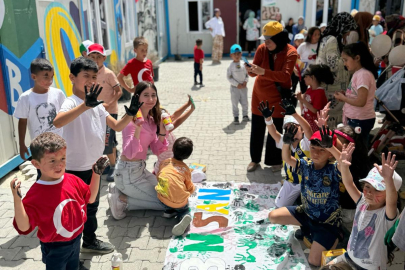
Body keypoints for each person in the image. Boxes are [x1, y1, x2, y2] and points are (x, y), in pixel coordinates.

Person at [53, 57, 141, 254]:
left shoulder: (98, 105)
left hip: (94, 167)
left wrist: (131, 114)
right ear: (72, 78)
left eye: (94, 77)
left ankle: (90, 241)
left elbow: (116, 126)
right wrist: (85, 105)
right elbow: (58, 122)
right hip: (73, 169)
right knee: (74, 211)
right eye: (86, 76)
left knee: (92, 206)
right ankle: (72, 255)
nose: (92, 81)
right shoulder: (71, 102)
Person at [11, 132, 109, 269]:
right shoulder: (36, 194)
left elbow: (91, 198)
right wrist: (17, 200)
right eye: (52, 160)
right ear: (36, 164)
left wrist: (96, 174)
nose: (59, 165)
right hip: (55, 246)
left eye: (62, 158)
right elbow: (24, 227)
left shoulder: (72, 179)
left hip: (76, 240)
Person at [269, 126, 342, 266]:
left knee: (314, 261)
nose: (316, 153)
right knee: (273, 216)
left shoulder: (334, 169)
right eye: (313, 148)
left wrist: (332, 147)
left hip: (326, 223)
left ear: (330, 154)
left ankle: (336, 237)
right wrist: (286, 142)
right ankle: (308, 230)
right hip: (307, 213)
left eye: (322, 150)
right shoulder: (305, 165)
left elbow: (343, 164)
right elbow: (286, 158)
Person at [107, 81, 169, 220]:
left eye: (153, 95)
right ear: (137, 98)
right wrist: (138, 128)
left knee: (168, 195)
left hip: (140, 170)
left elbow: (157, 150)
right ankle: (121, 200)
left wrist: (162, 132)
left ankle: (118, 189)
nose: (151, 99)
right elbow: (129, 152)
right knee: (166, 204)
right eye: (146, 95)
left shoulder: (152, 120)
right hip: (127, 172)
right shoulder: (130, 121)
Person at [333, 146, 401, 270]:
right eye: (367, 186)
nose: (370, 192)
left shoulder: (387, 215)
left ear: (389, 193)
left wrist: (388, 181)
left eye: (378, 189)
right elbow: (348, 183)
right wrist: (344, 167)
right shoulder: (362, 202)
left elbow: (392, 201)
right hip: (348, 258)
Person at [245, 21, 298, 172]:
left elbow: (285, 76)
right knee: (257, 129)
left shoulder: (291, 52)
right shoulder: (262, 49)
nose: (265, 43)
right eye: (264, 40)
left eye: (269, 40)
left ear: (280, 39)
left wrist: (263, 72)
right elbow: (254, 71)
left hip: (278, 98)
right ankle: (254, 160)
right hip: (259, 97)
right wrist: (250, 70)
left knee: (275, 131)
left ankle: (275, 161)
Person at [316, 107, 373, 222]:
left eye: (336, 142)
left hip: (348, 210)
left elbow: (339, 159)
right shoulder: (335, 156)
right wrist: (323, 129)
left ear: (349, 147)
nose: (331, 144)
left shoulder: (352, 162)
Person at [257, 99, 312, 207]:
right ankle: (296, 199)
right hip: (291, 182)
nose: (290, 132)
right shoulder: (285, 142)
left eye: (294, 128)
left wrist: (294, 114)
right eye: (287, 129)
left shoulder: (306, 143)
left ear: (302, 130)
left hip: (308, 183)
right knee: (279, 206)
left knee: (309, 208)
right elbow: (273, 132)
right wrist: (268, 119)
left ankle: (300, 200)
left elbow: (309, 129)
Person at [14, 58, 66, 161]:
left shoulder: (58, 94)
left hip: (60, 144)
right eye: (46, 77)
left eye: (52, 77)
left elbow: (66, 116)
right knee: (43, 172)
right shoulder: (26, 98)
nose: (50, 81)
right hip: (40, 148)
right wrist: (22, 144)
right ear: (34, 77)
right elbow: (22, 122)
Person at [316, 12, 358, 128]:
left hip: (330, 88)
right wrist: (349, 59)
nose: (349, 34)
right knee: (332, 125)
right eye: (349, 30)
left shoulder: (328, 38)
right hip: (332, 90)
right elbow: (333, 64)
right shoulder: (332, 40)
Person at [87, 43, 122, 182]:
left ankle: (114, 166)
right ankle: (108, 162)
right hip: (94, 113)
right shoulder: (88, 74)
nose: (95, 59)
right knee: (98, 140)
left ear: (104, 58)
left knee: (108, 142)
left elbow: (119, 91)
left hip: (109, 112)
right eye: (92, 57)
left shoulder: (108, 74)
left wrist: (109, 104)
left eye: (98, 57)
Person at [334, 42, 378, 144]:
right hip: (356, 118)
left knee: (357, 151)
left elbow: (361, 101)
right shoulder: (359, 73)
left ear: (357, 58)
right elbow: (357, 95)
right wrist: (345, 95)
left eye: (346, 60)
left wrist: (344, 99)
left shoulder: (363, 75)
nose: (344, 64)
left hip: (360, 119)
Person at [156, 137, 195, 236]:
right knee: (184, 209)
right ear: (188, 155)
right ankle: (183, 217)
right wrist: (192, 190)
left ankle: (168, 212)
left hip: (163, 200)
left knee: (166, 191)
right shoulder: (185, 169)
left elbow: (158, 177)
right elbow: (189, 187)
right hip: (179, 203)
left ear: (172, 149)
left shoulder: (164, 163)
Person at [154, 95, 196, 174]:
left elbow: (175, 115)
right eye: (167, 116)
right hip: (166, 170)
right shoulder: (163, 133)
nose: (170, 116)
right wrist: (191, 110)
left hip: (165, 166)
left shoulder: (161, 128)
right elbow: (178, 121)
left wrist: (188, 104)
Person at [298, 64, 334, 132]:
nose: (304, 78)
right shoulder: (309, 90)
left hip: (315, 125)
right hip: (307, 122)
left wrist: (302, 99)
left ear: (313, 77)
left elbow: (315, 110)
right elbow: (304, 106)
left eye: (306, 76)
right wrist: (301, 100)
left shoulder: (319, 92)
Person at [227, 44, 249, 125]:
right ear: (231, 55)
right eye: (234, 54)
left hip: (243, 88)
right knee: (235, 103)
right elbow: (229, 78)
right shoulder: (230, 66)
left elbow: (247, 74)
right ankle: (236, 117)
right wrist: (236, 84)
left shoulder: (244, 64)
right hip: (235, 89)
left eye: (238, 54)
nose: (237, 56)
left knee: (245, 102)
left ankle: (245, 115)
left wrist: (246, 81)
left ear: (241, 54)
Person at [295, 27, 321, 93]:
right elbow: (294, 57)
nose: (317, 36)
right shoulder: (303, 45)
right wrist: (295, 69)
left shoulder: (321, 45)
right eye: (315, 34)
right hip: (304, 73)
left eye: (319, 34)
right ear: (310, 35)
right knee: (304, 92)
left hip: (316, 73)